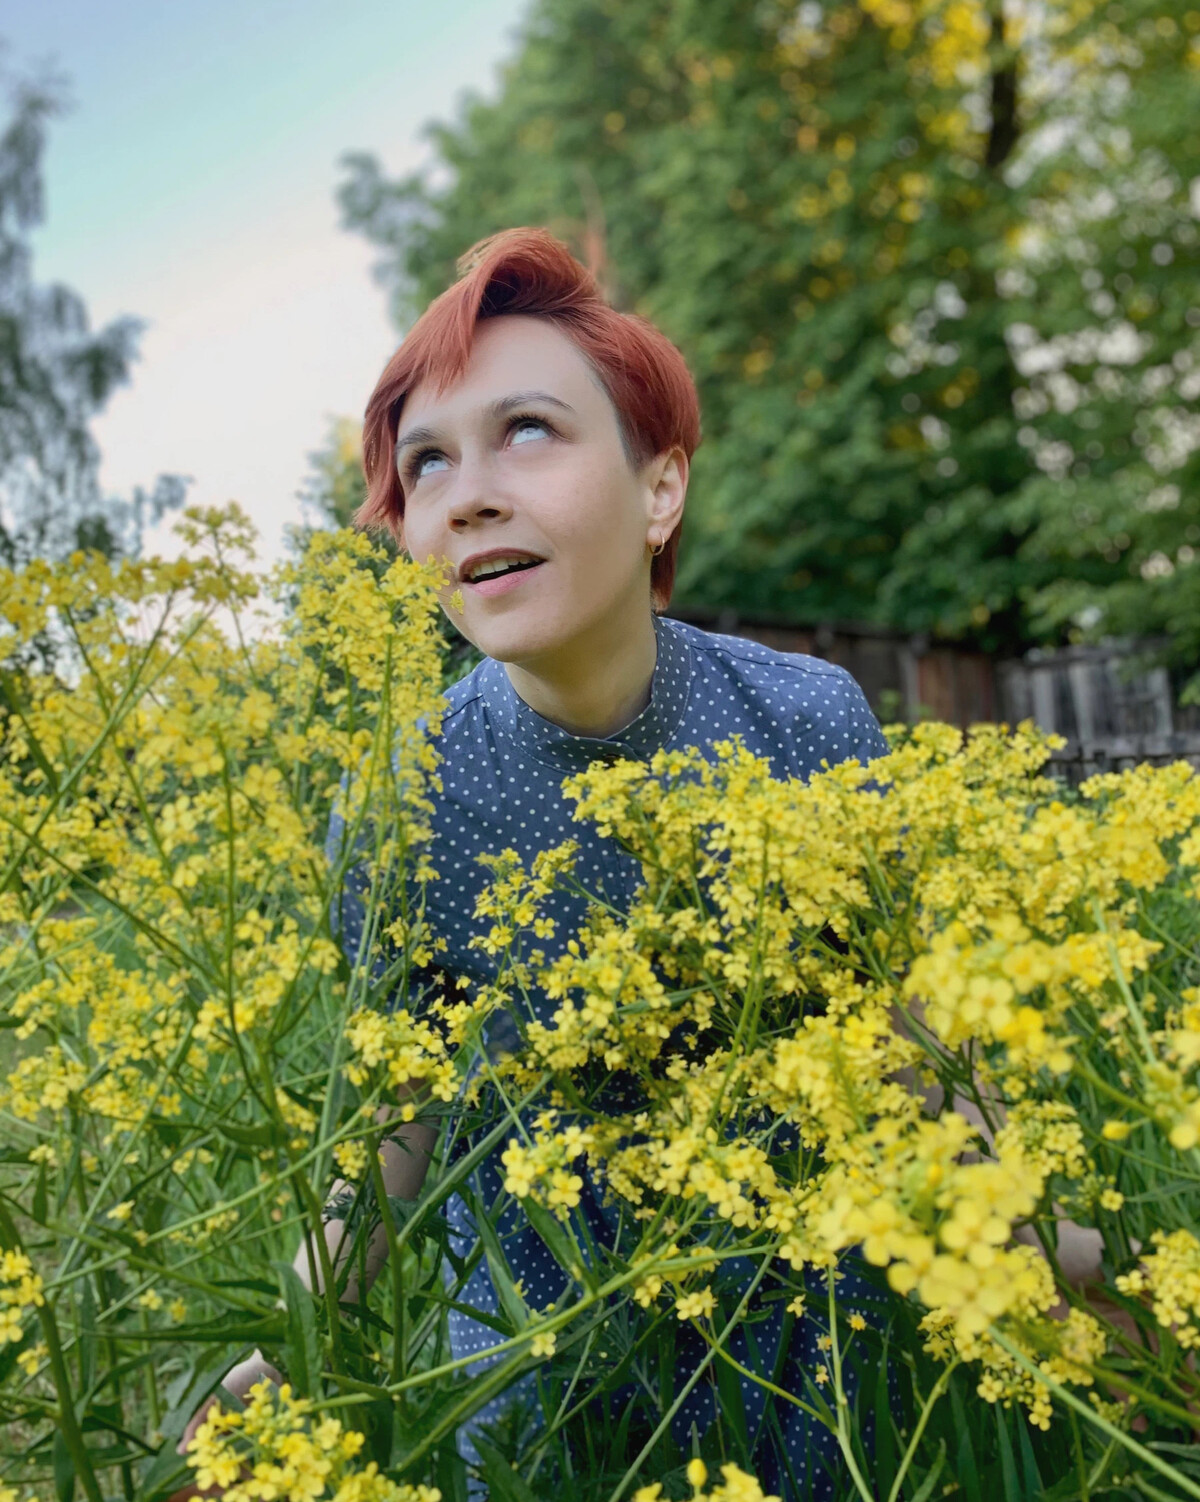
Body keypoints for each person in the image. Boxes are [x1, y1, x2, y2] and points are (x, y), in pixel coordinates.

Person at [176, 227, 898, 1496]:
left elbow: (910, 1044)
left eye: (528, 430)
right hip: (543, 1384)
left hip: (811, 1368)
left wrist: (1046, 1238)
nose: (467, 493)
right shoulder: (405, 796)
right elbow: (396, 1130)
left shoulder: (808, 719)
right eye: (426, 465)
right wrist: (268, 1359)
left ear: (661, 487)